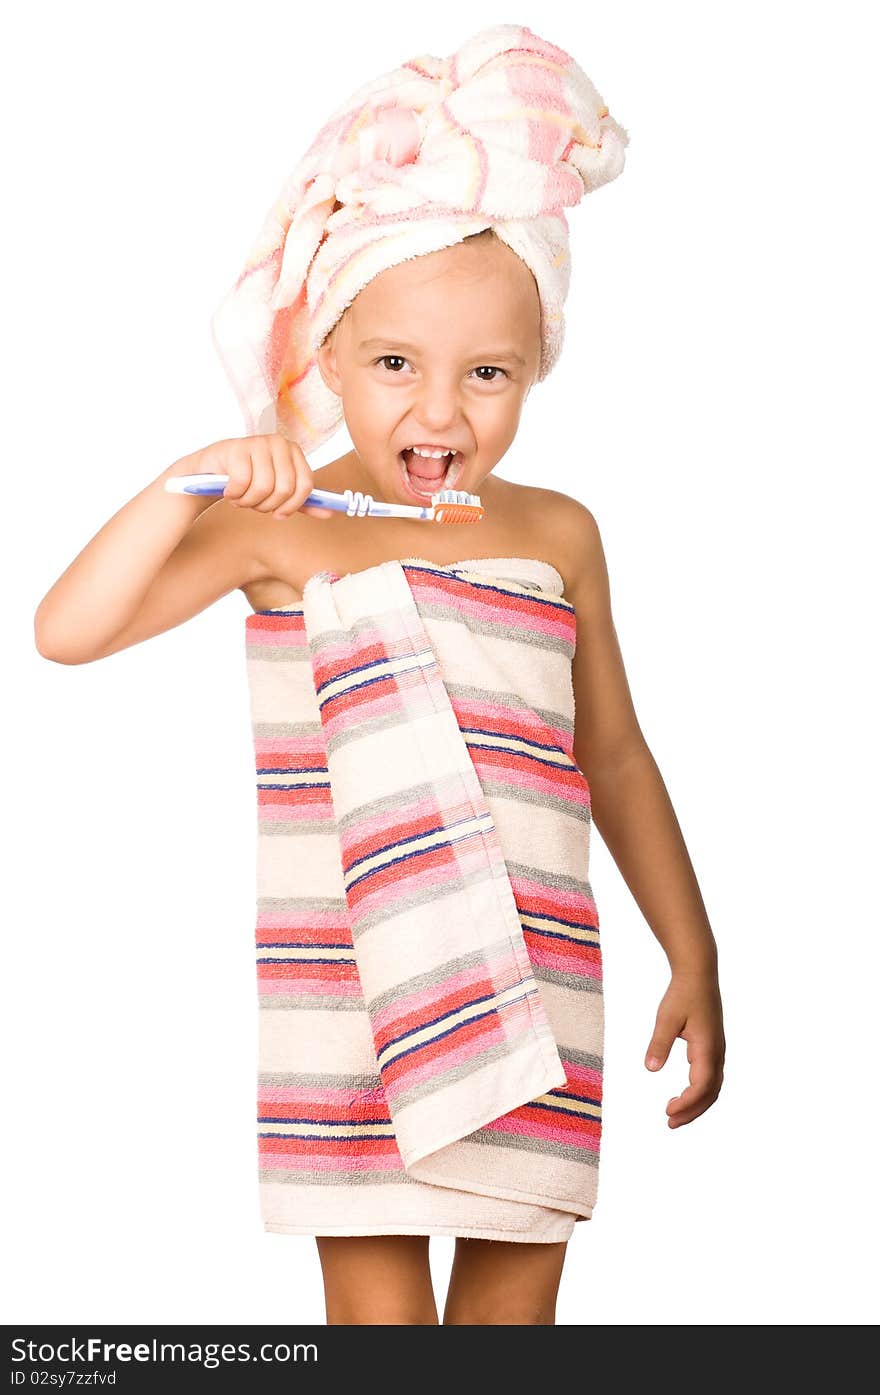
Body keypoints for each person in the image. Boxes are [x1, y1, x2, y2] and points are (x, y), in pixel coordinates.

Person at [33, 25, 725, 1325]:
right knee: (382, 1341)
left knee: (509, 1337)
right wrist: (182, 481)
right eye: (395, 365)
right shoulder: (283, 532)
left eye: (489, 374)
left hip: (541, 980)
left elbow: (614, 756)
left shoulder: (556, 533)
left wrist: (693, 956)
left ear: (538, 368)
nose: (442, 413)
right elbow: (65, 631)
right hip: (347, 997)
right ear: (327, 363)